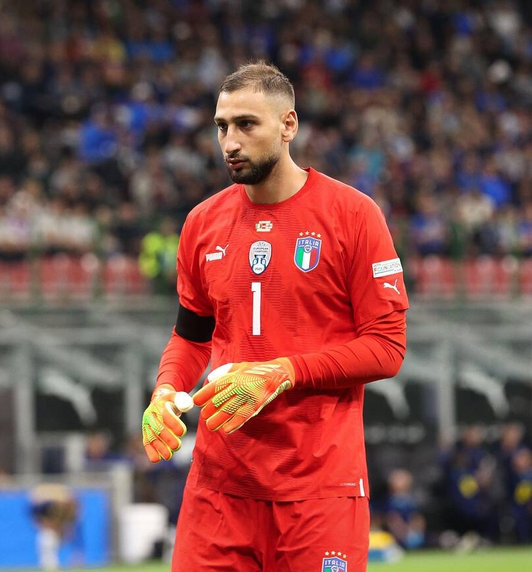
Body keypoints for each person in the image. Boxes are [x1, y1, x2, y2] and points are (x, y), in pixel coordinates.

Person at [140, 62, 408, 572]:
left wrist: (282, 373)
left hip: (318, 490)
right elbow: (191, 336)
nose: (230, 142)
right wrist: (163, 391)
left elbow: (388, 346)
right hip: (220, 489)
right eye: (221, 126)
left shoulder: (353, 215)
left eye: (246, 124)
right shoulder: (202, 224)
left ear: (289, 126)